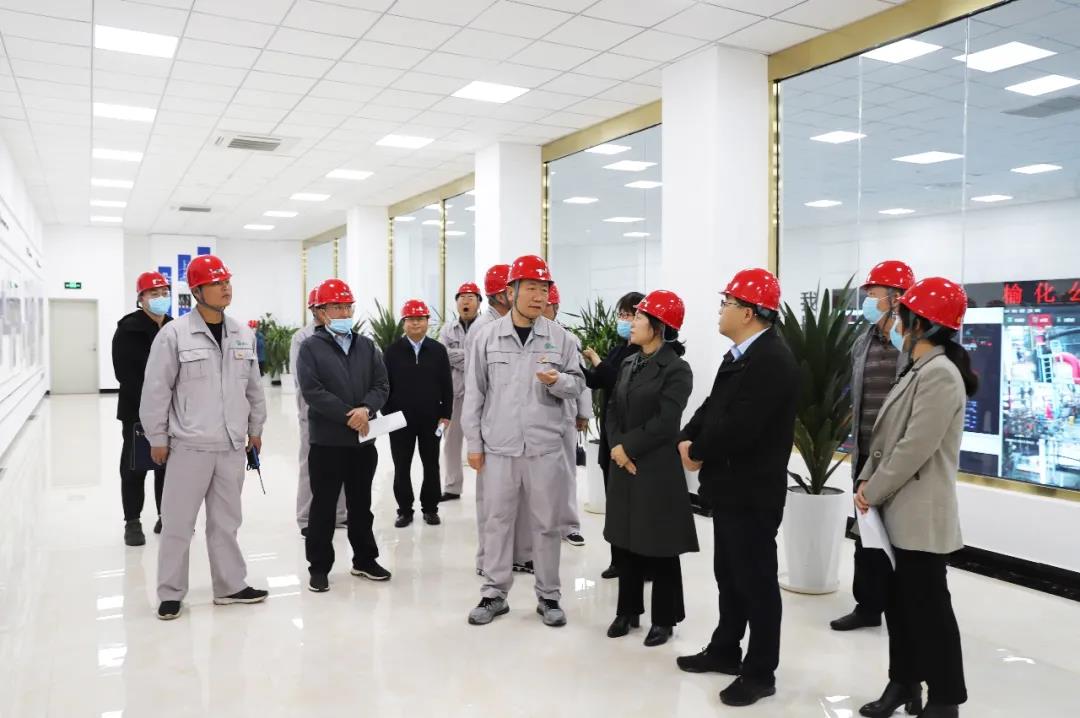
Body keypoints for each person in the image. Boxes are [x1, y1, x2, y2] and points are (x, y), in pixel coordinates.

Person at [675, 267, 799, 708]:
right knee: (729, 576)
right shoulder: (740, 355)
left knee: (757, 583)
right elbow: (714, 406)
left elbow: (742, 426)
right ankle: (725, 649)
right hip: (728, 488)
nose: (721, 310)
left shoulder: (772, 360)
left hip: (752, 492)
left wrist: (697, 451)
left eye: (726, 303)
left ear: (748, 312)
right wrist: (687, 437)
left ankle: (760, 672)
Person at [854, 277, 975, 718]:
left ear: (921, 324)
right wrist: (866, 481)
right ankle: (903, 683)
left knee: (929, 612)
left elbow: (913, 448)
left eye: (904, 317)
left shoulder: (939, 374)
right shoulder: (918, 369)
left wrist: (873, 488)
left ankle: (945, 699)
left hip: (920, 516)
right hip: (897, 510)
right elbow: (885, 440)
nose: (898, 324)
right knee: (900, 607)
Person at [140, 254, 268, 620]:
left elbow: (254, 388)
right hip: (189, 446)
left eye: (227, 281)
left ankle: (230, 585)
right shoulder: (174, 335)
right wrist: (157, 437)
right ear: (197, 291)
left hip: (231, 445)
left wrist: (255, 429)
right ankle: (170, 593)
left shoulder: (243, 333)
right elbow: (156, 390)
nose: (226, 287)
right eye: (216, 283)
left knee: (226, 521)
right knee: (178, 523)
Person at [463, 255, 585, 627]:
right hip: (499, 447)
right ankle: (494, 593)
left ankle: (549, 596)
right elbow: (475, 393)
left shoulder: (560, 338)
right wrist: (474, 444)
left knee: (546, 523)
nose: (539, 296)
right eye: (531, 288)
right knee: (497, 520)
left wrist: (558, 382)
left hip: (544, 447)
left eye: (544, 289)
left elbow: (578, 384)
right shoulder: (486, 337)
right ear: (510, 291)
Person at [604, 290, 696, 648]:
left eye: (639, 318)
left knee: (660, 543)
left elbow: (666, 421)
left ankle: (664, 618)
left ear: (658, 327)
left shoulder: (676, 369)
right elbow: (612, 408)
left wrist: (628, 448)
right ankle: (627, 611)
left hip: (655, 467)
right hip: (623, 464)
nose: (631, 323)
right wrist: (617, 447)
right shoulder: (630, 362)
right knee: (625, 538)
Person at [832, 260, 915, 632]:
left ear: (896, 297)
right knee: (865, 532)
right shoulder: (863, 341)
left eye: (874, 292)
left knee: (898, 534)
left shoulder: (911, 342)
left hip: (899, 455)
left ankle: (901, 605)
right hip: (865, 451)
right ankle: (867, 606)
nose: (867, 299)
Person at [296, 279, 391, 593]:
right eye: (337, 306)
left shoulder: (366, 346)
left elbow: (381, 384)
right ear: (321, 312)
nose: (344, 312)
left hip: (363, 442)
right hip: (327, 442)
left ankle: (364, 559)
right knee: (323, 507)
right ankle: (319, 567)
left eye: (348, 306)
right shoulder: (310, 347)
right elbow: (312, 391)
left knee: (361, 505)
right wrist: (350, 414)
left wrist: (367, 408)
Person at [467, 263, 535, 577]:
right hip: (493, 433)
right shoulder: (484, 330)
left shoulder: (526, 327)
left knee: (518, 502)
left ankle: (518, 555)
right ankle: (488, 559)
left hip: (520, 435)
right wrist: (474, 442)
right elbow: (475, 389)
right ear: (503, 295)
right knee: (492, 506)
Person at [582, 291, 644, 578]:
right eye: (621, 314)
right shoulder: (621, 349)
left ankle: (639, 563)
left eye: (628, 315)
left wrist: (597, 360)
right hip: (611, 435)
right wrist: (576, 367)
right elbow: (598, 381)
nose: (623, 320)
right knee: (615, 505)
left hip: (629, 440)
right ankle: (618, 560)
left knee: (634, 506)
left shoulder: (643, 354)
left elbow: (616, 381)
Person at [112, 271, 172, 546]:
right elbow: (125, 374)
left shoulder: (173, 327)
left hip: (172, 412)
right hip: (137, 410)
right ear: (141, 298)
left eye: (164, 293)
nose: (161, 298)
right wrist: (153, 405)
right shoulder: (128, 329)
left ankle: (165, 516)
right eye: (154, 294)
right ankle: (133, 521)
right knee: (135, 467)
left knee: (167, 468)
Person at [385, 299, 454, 528]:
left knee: (431, 464)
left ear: (427, 321)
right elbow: (384, 385)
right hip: (399, 421)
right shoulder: (392, 351)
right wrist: (388, 414)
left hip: (431, 419)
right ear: (404, 323)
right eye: (411, 319)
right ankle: (404, 511)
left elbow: (447, 385)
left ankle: (430, 509)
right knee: (401, 466)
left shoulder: (438, 350)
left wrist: (446, 414)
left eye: (420, 319)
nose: (415, 323)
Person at [290, 287, 346, 537]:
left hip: (343, 412)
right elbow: (304, 379)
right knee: (310, 465)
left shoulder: (345, 335)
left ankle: (340, 514)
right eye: (333, 306)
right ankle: (306, 518)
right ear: (315, 310)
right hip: (313, 411)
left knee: (343, 464)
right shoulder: (302, 338)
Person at [542, 282, 591, 547]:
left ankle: (569, 525)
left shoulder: (568, 338)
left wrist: (583, 413)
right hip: (533, 417)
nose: (541, 307)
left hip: (563, 414)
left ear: (556, 307)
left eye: (547, 304)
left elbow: (581, 379)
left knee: (566, 471)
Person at [438, 282, 482, 502]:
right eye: (462, 297)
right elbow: (441, 356)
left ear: (479, 302)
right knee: (451, 443)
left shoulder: (487, 326)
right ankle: (452, 487)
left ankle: (488, 488)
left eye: (471, 297)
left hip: (481, 394)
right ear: (456, 303)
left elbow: (484, 357)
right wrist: (471, 356)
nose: (466, 301)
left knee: (486, 442)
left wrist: (458, 356)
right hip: (455, 394)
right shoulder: (447, 329)